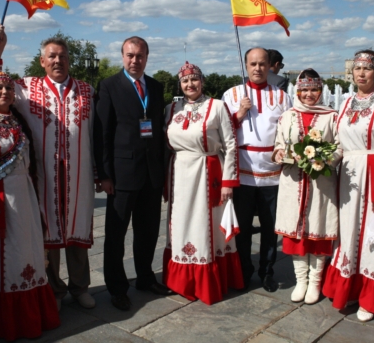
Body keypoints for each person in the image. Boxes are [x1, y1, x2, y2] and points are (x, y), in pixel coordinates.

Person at [0, 25, 97, 310]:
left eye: (62, 56)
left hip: (79, 174)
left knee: (77, 229)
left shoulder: (87, 90)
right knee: (47, 232)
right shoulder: (26, 88)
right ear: (42, 61)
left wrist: (100, 173)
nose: (57, 61)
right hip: (44, 176)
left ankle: (80, 287)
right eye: (51, 56)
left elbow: (98, 133)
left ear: (69, 59)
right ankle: (55, 290)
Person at [0, 71, 60, 340]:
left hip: (24, 198)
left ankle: (29, 315)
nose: (5, 92)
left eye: (8, 87)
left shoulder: (20, 124)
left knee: (25, 253)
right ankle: (0, 321)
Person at [94, 36, 173, 311]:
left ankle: (145, 277)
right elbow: (101, 133)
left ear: (147, 57)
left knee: (148, 230)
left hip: (151, 173)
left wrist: (163, 172)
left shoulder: (155, 86)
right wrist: (104, 174)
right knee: (116, 234)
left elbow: (158, 131)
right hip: (121, 174)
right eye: (130, 55)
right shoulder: (108, 86)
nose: (134, 60)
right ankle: (117, 287)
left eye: (139, 56)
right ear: (122, 56)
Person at [322, 50, 374, 322]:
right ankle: (349, 288)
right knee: (348, 232)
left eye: (367, 69)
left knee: (373, 235)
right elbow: (340, 144)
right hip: (348, 177)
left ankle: (371, 297)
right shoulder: (345, 103)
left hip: (373, 173)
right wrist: (323, 160)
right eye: (357, 69)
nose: (361, 73)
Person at [162, 61, 243, 305]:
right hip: (178, 174)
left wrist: (229, 181)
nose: (190, 84)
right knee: (180, 224)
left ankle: (208, 280)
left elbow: (230, 145)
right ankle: (181, 280)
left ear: (202, 81)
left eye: (194, 79)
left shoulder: (218, 107)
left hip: (209, 173)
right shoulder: (171, 108)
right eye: (185, 81)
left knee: (205, 226)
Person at [222, 47, 292, 292]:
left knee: (270, 228)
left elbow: (290, 131)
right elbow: (221, 133)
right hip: (242, 173)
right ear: (245, 65)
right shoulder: (231, 94)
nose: (258, 68)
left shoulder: (282, 96)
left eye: (262, 64)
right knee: (241, 229)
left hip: (272, 174)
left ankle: (267, 270)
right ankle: (243, 271)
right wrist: (239, 113)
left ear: (268, 65)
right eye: (253, 64)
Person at [272, 69, 341, 304]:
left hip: (321, 183)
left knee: (319, 228)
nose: (308, 94)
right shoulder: (288, 116)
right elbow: (279, 143)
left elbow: (340, 146)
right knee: (296, 232)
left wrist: (327, 159)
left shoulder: (332, 116)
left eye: (313, 89)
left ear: (320, 91)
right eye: (304, 90)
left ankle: (315, 282)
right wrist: (280, 152)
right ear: (297, 91)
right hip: (294, 181)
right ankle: (300, 280)